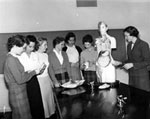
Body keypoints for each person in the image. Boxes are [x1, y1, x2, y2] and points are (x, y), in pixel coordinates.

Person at [3, 35, 42, 119]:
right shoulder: (11, 60)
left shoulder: (14, 58)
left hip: (20, 92)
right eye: (23, 48)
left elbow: (21, 75)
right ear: (15, 46)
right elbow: (20, 79)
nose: (24, 50)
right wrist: (34, 72)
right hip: (18, 94)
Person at [18, 35, 45, 119]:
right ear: (25, 45)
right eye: (30, 46)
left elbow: (37, 69)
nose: (32, 49)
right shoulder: (20, 56)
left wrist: (41, 69)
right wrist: (32, 71)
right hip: (25, 82)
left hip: (34, 81)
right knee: (28, 105)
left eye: (33, 47)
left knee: (37, 104)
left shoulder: (34, 55)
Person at [122, 26, 150, 91]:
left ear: (133, 35)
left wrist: (132, 65)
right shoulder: (129, 45)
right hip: (132, 76)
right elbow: (130, 60)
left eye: (126, 36)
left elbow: (147, 61)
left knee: (143, 97)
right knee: (133, 96)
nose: (125, 38)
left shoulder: (143, 44)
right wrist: (120, 63)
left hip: (141, 77)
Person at [95, 21, 121, 88]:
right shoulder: (97, 40)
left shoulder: (112, 39)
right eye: (100, 28)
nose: (101, 29)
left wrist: (113, 62)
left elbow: (110, 52)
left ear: (107, 28)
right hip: (101, 64)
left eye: (103, 27)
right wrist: (98, 65)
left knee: (110, 83)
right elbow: (98, 54)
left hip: (109, 64)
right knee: (102, 84)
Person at [35, 37, 56, 119]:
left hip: (47, 79)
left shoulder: (45, 55)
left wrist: (50, 80)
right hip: (39, 80)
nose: (46, 47)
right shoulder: (34, 55)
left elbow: (47, 70)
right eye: (45, 45)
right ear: (39, 45)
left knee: (49, 99)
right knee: (43, 101)